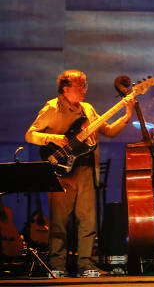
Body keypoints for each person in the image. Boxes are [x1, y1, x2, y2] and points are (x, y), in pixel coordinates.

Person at [25, 69, 135, 278]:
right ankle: (58, 266)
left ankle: (86, 265)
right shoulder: (52, 108)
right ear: (66, 88)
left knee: (87, 220)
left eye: (85, 85)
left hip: (85, 169)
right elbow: (30, 134)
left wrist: (128, 114)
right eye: (80, 85)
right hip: (61, 172)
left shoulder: (87, 109)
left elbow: (109, 131)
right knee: (59, 221)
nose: (85, 89)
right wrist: (52, 138)